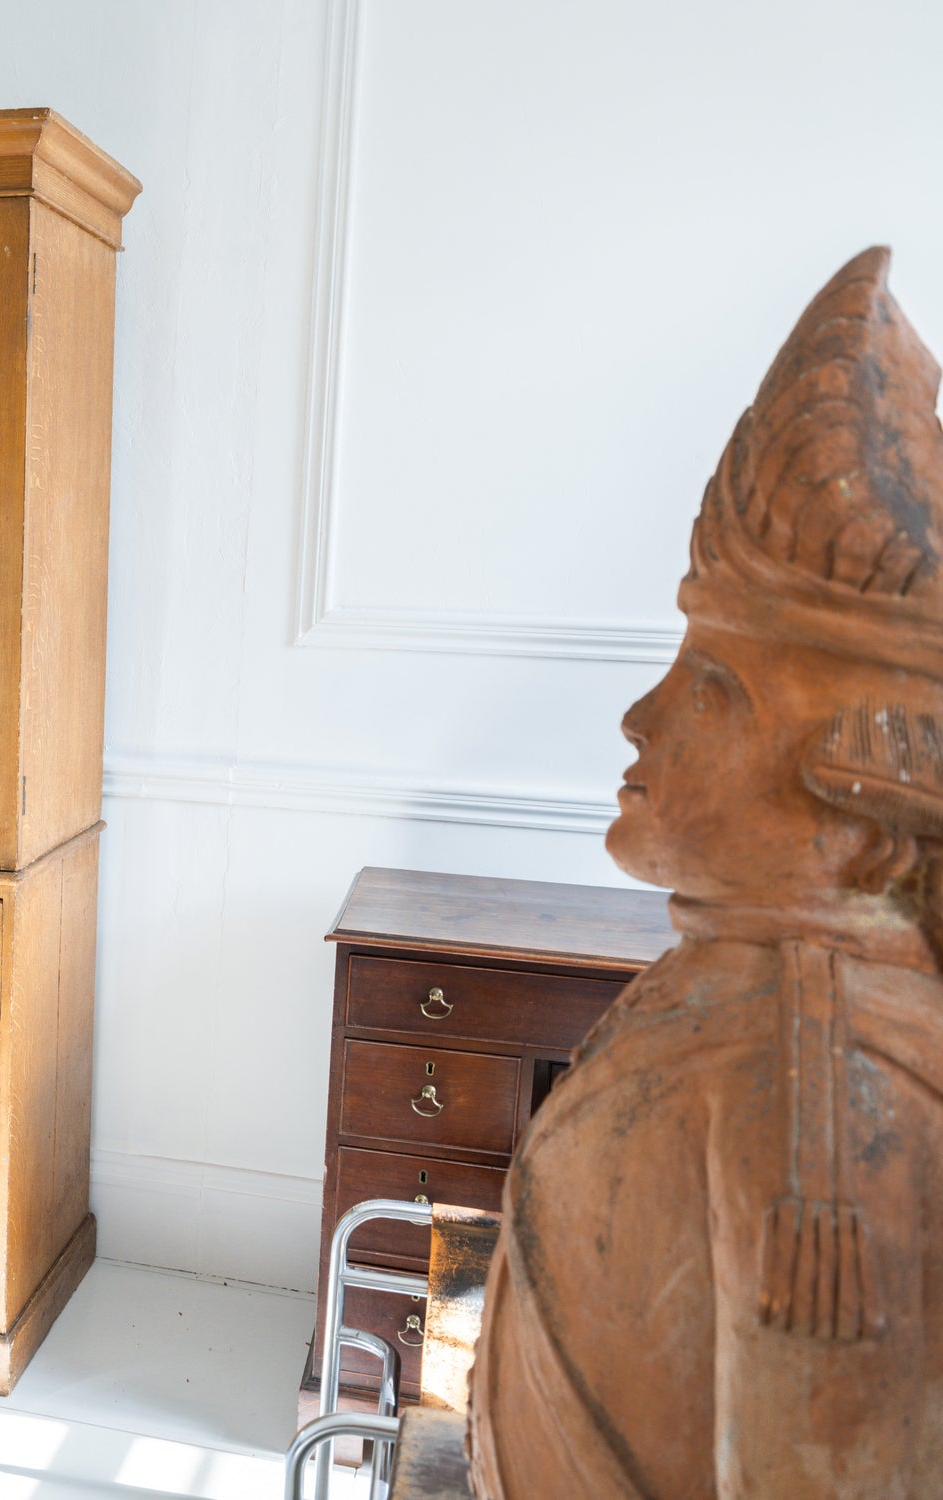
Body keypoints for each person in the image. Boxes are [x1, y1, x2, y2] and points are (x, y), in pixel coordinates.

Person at [467, 247, 943, 1498]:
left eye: (713, 687)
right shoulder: (747, 1007)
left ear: (854, 792)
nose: (640, 716)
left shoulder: (825, 1106)